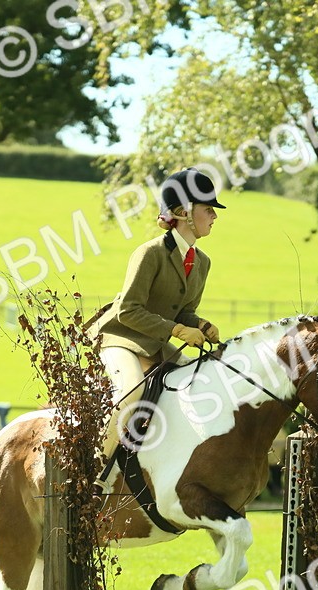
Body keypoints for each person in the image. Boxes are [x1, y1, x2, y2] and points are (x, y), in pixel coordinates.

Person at [93, 167, 225, 462]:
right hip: (121, 339)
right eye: (208, 209)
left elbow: (185, 311)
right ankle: (96, 465)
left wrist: (200, 324)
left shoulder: (202, 262)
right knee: (131, 391)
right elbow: (128, 310)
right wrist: (178, 331)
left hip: (156, 344)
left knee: (201, 382)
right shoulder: (149, 253)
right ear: (184, 212)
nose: (215, 216)